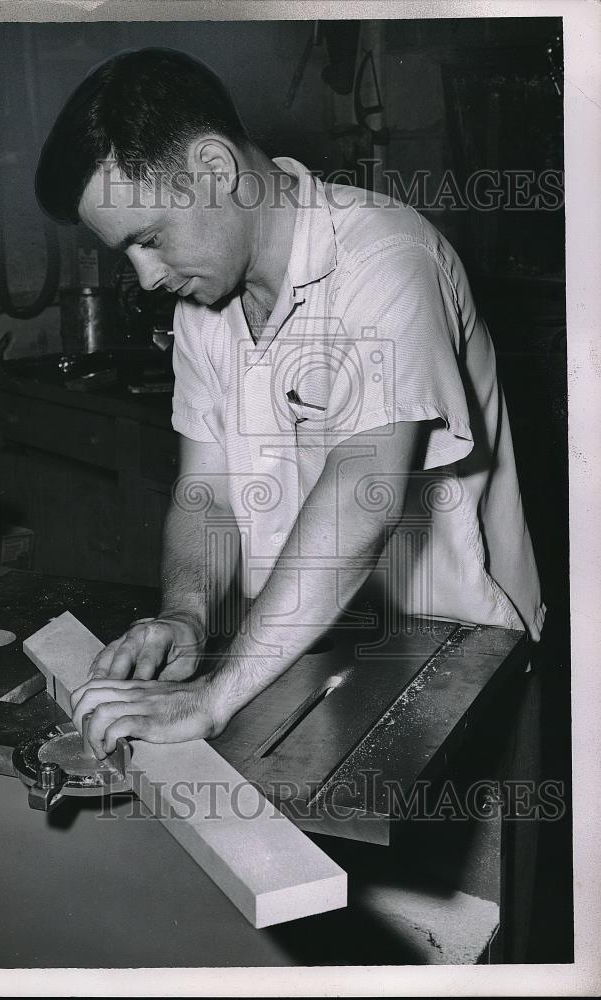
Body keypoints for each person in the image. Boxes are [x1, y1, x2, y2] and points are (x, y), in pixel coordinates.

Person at [35, 47, 544, 762]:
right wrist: (184, 617)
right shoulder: (204, 301)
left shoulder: (383, 259)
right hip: (294, 656)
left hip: (453, 662)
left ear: (215, 169)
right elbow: (206, 491)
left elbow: (360, 497)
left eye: (148, 239)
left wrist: (213, 697)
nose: (145, 276)